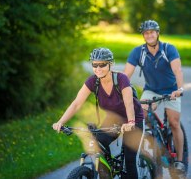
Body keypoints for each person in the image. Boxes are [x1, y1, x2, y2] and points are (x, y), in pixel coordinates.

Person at [52, 48, 144, 179]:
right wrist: (61, 122)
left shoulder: (121, 79)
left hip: (133, 119)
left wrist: (130, 122)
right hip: (113, 119)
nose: (98, 68)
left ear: (110, 64)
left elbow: (128, 103)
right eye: (95, 65)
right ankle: (107, 172)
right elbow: (76, 103)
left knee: (129, 161)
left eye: (102, 64)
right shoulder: (93, 81)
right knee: (97, 144)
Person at [124, 20, 186, 174]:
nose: (149, 35)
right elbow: (126, 75)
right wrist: (121, 91)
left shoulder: (168, 49)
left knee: (173, 122)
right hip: (151, 90)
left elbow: (178, 70)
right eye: (146, 33)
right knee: (142, 114)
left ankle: (179, 160)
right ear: (143, 36)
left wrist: (179, 89)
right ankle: (156, 138)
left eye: (152, 32)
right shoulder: (138, 52)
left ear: (157, 33)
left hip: (171, 90)